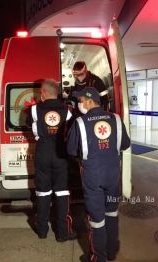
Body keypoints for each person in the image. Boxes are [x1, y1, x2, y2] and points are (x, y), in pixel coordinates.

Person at [67, 87, 131, 262]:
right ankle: (111, 252)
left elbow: (71, 150)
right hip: (112, 173)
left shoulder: (80, 122)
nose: (79, 105)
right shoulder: (116, 119)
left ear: (89, 101)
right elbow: (125, 144)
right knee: (111, 212)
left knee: (96, 218)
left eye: (80, 101)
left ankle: (98, 257)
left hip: (92, 174)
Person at [31, 79, 78, 242]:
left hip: (42, 152)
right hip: (60, 153)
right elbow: (73, 130)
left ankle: (42, 230)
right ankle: (63, 233)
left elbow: (29, 126)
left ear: (44, 92)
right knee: (62, 192)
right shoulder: (68, 109)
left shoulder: (34, 109)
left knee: (42, 192)